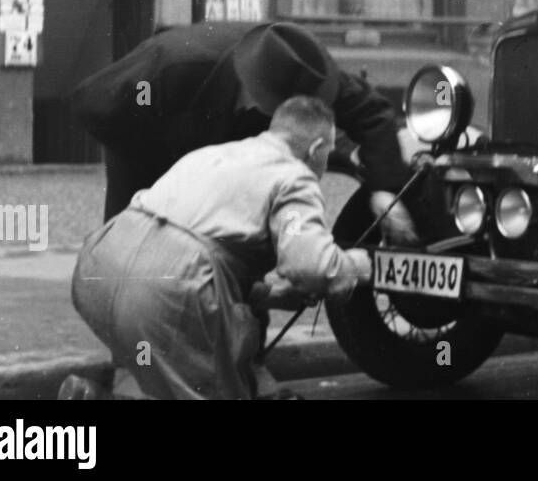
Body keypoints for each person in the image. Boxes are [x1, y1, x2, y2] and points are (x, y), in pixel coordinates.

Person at [66, 96, 374, 399]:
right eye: (328, 153)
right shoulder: (294, 176)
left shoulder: (216, 154)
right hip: (167, 287)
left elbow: (202, 243)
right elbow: (311, 265)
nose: (325, 164)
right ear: (315, 149)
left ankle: (91, 396)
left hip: (101, 267)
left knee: (167, 382)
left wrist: (272, 296)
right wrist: (356, 265)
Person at [69, 20, 418, 243]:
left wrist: (385, 189)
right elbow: (92, 102)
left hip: (222, 144)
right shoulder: (170, 65)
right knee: (130, 247)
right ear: (260, 97)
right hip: (148, 142)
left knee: (242, 236)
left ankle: (239, 347)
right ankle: (130, 353)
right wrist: (164, 174)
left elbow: (374, 114)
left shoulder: (308, 68)